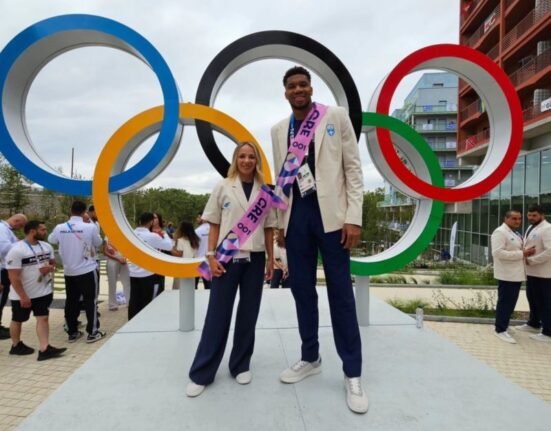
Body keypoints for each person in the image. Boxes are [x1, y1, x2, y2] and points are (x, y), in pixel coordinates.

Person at [271, 66, 367, 413]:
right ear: (286, 93)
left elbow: (353, 169)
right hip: (296, 218)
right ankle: (310, 357)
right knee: (301, 291)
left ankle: (352, 372)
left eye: (303, 84)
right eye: (292, 86)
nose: (299, 89)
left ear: (311, 88)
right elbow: (281, 179)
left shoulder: (335, 116)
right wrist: (280, 221)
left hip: (332, 219)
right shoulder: (279, 130)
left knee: (341, 293)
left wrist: (354, 217)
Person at [186, 141, 276, 398]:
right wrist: (211, 256)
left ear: (256, 161)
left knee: (248, 315)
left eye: (251, 157)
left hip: (256, 260)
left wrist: (271, 260)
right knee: (217, 315)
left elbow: (269, 228)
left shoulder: (265, 192)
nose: (247, 161)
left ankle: (240, 365)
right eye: (242, 156)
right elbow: (213, 223)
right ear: (236, 159)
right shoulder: (223, 186)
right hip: (226, 259)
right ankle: (202, 372)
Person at [5, 220, 66, 360]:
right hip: (22, 294)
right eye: (43, 230)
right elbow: (13, 277)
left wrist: (49, 269)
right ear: (33, 231)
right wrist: (23, 296)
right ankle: (16, 345)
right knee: (18, 319)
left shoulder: (46, 246)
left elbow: (52, 264)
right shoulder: (17, 250)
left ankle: (44, 348)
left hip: (42, 291)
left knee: (43, 318)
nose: (46, 232)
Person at [48, 201, 105, 343]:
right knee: (90, 301)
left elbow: (51, 239)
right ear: (84, 211)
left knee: (71, 301)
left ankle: (72, 332)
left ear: (70, 210)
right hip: (87, 269)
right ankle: (93, 332)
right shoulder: (90, 227)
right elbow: (98, 243)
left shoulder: (59, 227)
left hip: (69, 270)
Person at [491, 210, 535, 344]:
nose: (517, 221)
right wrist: (522, 254)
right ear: (506, 218)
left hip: (515, 274)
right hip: (506, 274)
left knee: (510, 303)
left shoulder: (514, 233)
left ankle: (504, 325)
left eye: (519, 219)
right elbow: (498, 253)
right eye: (514, 219)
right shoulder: (500, 232)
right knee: (505, 302)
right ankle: (500, 330)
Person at [515, 205, 551, 342]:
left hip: (544, 273)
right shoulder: (531, 227)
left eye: (534, 215)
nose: (531, 218)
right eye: (529, 215)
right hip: (531, 272)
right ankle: (534, 323)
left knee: (545, 302)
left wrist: (532, 260)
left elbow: (550, 251)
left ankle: (548, 331)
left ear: (542, 215)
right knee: (533, 299)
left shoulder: (547, 229)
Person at [127, 212, 173, 320]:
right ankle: (146, 321)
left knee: (134, 300)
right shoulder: (152, 236)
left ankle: (132, 322)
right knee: (147, 301)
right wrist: (165, 234)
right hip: (147, 274)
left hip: (133, 272)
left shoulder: (131, 233)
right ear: (151, 222)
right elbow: (169, 246)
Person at [0, 213, 27, 340]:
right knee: (0, 299)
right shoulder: (2, 229)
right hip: (2, 270)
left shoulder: (6, 230)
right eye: (20, 226)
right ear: (16, 221)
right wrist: (20, 245)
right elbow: (4, 248)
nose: (19, 229)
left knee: (3, 299)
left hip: (4, 269)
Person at [171, 221, 200, 290]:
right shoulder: (195, 240)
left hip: (181, 267)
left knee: (179, 289)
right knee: (190, 287)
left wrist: (171, 249)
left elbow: (179, 254)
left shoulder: (180, 240)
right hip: (191, 266)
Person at [104, 238, 131, 311]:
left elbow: (128, 247)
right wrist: (117, 258)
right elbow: (105, 252)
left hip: (123, 260)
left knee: (127, 282)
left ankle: (129, 302)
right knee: (112, 283)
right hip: (112, 261)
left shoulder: (122, 234)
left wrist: (125, 257)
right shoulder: (107, 237)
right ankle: (112, 305)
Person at [195, 215, 211, 290]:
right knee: (209, 287)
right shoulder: (214, 230)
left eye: (198, 217)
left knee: (194, 286)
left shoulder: (197, 231)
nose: (197, 219)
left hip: (197, 261)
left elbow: (194, 247)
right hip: (208, 261)